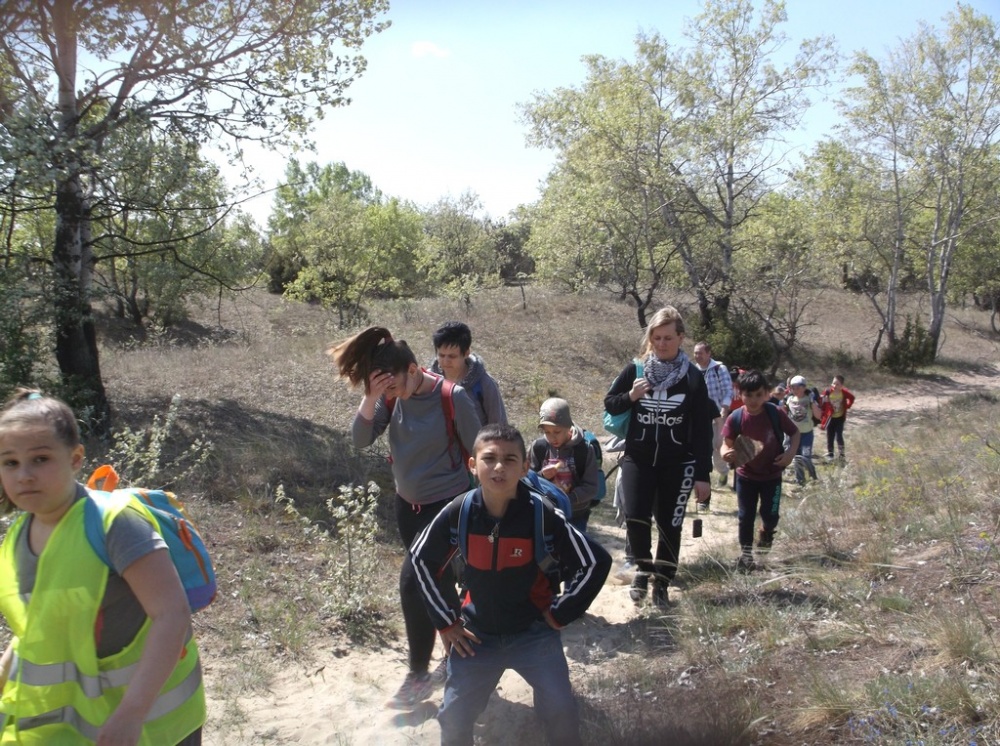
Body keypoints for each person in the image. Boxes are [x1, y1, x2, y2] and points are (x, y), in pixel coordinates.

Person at [0, 389, 205, 745]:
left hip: (154, 725)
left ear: (75, 458)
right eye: (10, 463)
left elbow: (172, 615)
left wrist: (132, 714)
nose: (25, 476)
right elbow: (33, 629)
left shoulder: (114, 524)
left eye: (40, 459)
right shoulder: (17, 537)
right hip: (79, 725)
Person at [409, 423, 611, 746]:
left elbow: (596, 561)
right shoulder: (459, 512)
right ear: (472, 465)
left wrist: (559, 613)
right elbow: (420, 559)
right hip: (476, 637)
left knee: (560, 711)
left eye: (510, 459)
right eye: (489, 458)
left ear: (525, 466)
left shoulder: (541, 515)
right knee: (454, 716)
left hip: (534, 634)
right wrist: (446, 622)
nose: (499, 467)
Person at [330, 327, 482, 709]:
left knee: (413, 583)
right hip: (408, 507)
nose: (391, 393)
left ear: (413, 370)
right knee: (438, 585)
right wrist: (371, 397)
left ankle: (418, 676)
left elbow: (481, 453)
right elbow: (360, 439)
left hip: (447, 508)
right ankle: (459, 663)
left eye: (394, 385)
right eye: (385, 389)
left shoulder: (452, 397)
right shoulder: (390, 397)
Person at [603, 306, 713, 607]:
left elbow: (702, 429)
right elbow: (610, 404)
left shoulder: (692, 377)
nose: (661, 344)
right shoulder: (636, 369)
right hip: (638, 458)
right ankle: (643, 568)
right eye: (656, 337)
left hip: (677, 463)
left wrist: (703, 474)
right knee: (635, 517)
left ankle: (662, 582)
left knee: (669, 524)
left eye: (668, 338)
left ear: (681, 338)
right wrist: (631, 396)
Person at [720, 370, 800, 571]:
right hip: (745, 476)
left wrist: (790, 454)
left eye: (758, 394)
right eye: (748, 395)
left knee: (771, 515)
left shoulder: (775, 413)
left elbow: (795, 433)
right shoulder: (736, 417)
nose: (753, 400)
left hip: (772, 475)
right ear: (740, 394)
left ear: (766, 393)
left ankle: (766, 532)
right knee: (745, 516)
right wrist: (726, 453)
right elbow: (726, 443)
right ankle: (746, 555)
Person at [528, 397, 601, 534]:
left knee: (574, 546)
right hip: (546, 512)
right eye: (547, 432)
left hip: (576, 514)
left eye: (557, 432)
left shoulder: (584, 449)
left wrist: (566, 499)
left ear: (568, 427)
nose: (552, 437)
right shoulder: (538, 447)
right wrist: (542, 475)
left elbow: (591, 487)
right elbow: (528, 481)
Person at [429, 321, 508, 426]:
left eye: (452, 356)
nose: (446, 361)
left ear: (466, 353)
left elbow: (499, 427)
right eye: (441, 355)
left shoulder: (484, 384)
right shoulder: (428, 381)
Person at [692, 342, 735, 502]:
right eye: (695, 353)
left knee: (718, 449)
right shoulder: (692, 370)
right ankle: (701, 484)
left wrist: (724, 409)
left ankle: (723, 472)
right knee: (702, 451)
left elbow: (728, 391)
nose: (697, 356)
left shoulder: (719, 369)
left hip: (718, 417)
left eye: (700, 353)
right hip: (699, 418)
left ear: (709, 353)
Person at [784, 375, 822, 486]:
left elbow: (818, 416)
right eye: (793, 387)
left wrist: (813, 401)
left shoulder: (809, 399)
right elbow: (783, 414)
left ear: (804, 387)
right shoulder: (789, 399)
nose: (795, 390)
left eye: (798, 387)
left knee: (806, 456)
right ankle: (800, 480)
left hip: (806, 434)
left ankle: (813, 476)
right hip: (794, 435)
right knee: (796, 458)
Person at [820, 374, 855, 463]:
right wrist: (824, 406)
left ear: (841, 386)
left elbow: (852, 398)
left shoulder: (844, 392)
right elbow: (821, 402)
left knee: (839, 436)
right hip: (830, 418)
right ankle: (830, 454)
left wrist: (847, 406)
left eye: (837, 384)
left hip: (840, 418)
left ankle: (842, 455)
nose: (835, 386)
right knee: (830, 436)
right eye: (833, 383)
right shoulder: (828, 392)